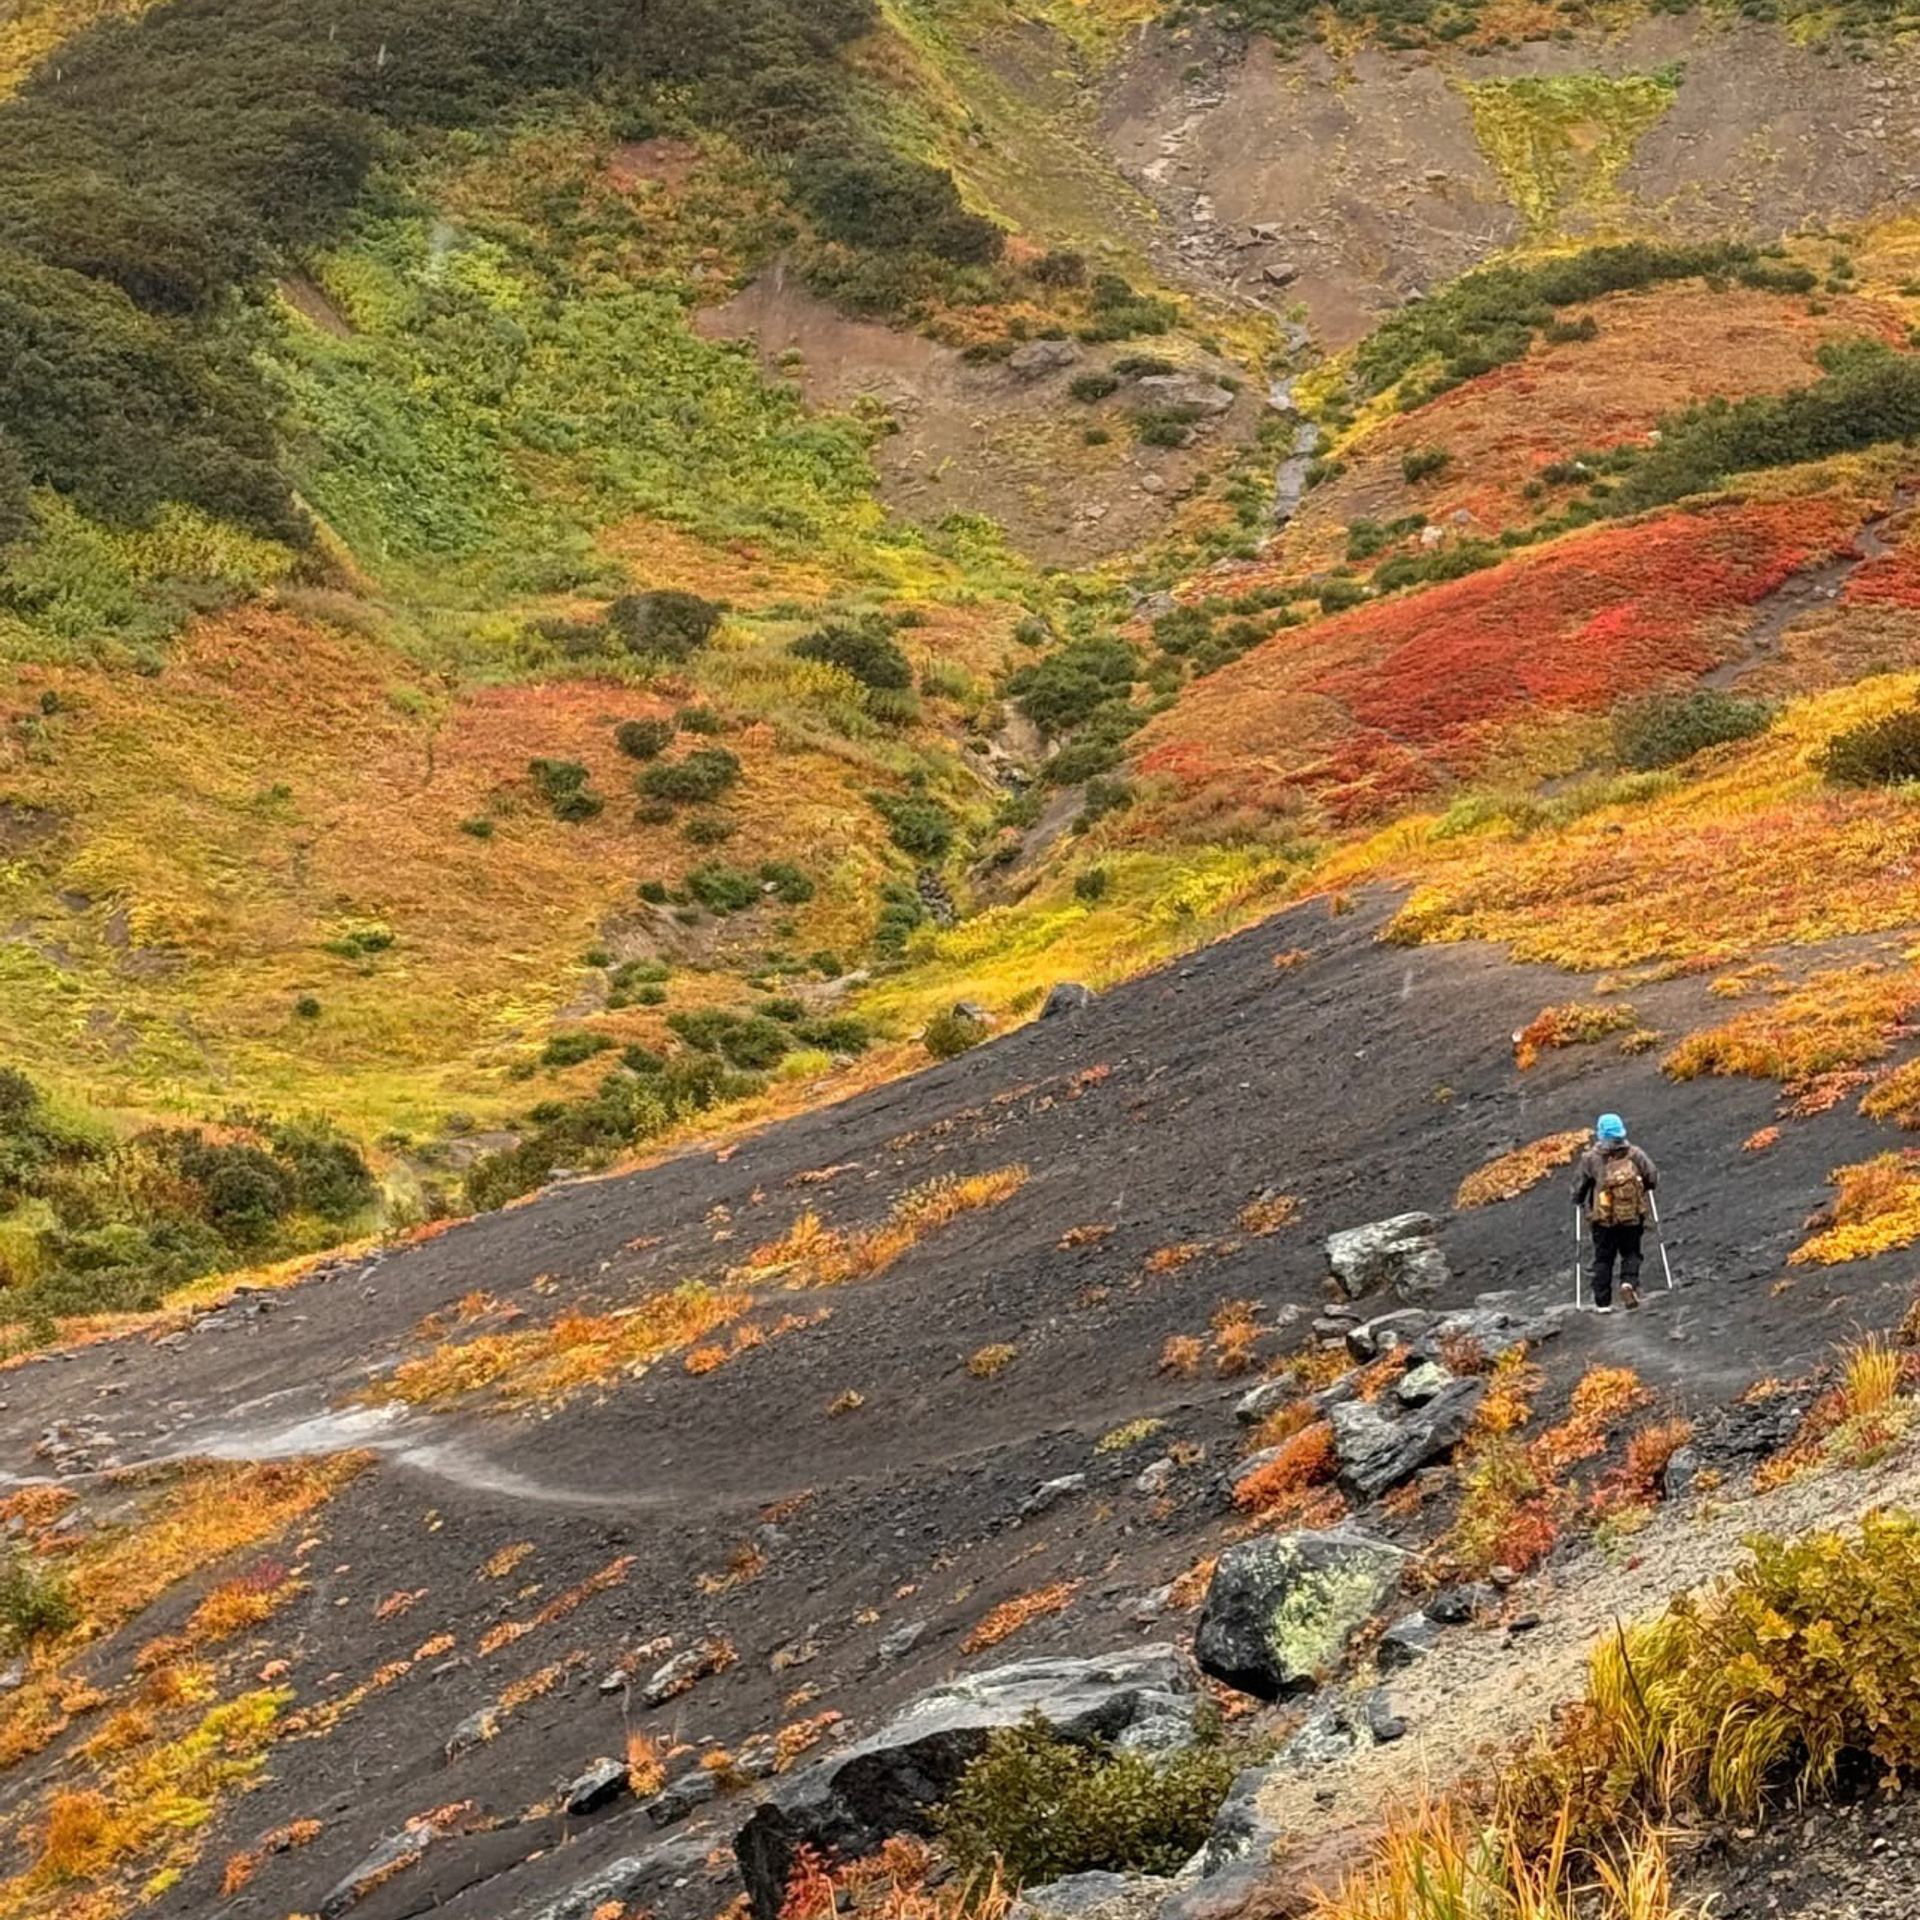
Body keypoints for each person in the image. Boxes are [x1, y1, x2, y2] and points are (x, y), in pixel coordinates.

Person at [1571, 1113, 1658, 1314]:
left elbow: (1579, 1187)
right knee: (1631, 1253)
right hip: (1631, 1216)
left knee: (1603, 1259)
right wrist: (1643, 1189)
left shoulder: (1590, 1158)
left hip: (1603, 1219)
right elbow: (1652, 1176)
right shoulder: (1635, 1154)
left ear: (1601, 1133)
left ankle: (1603, 1304)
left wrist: (1578, 1200)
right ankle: (1628, 1284)